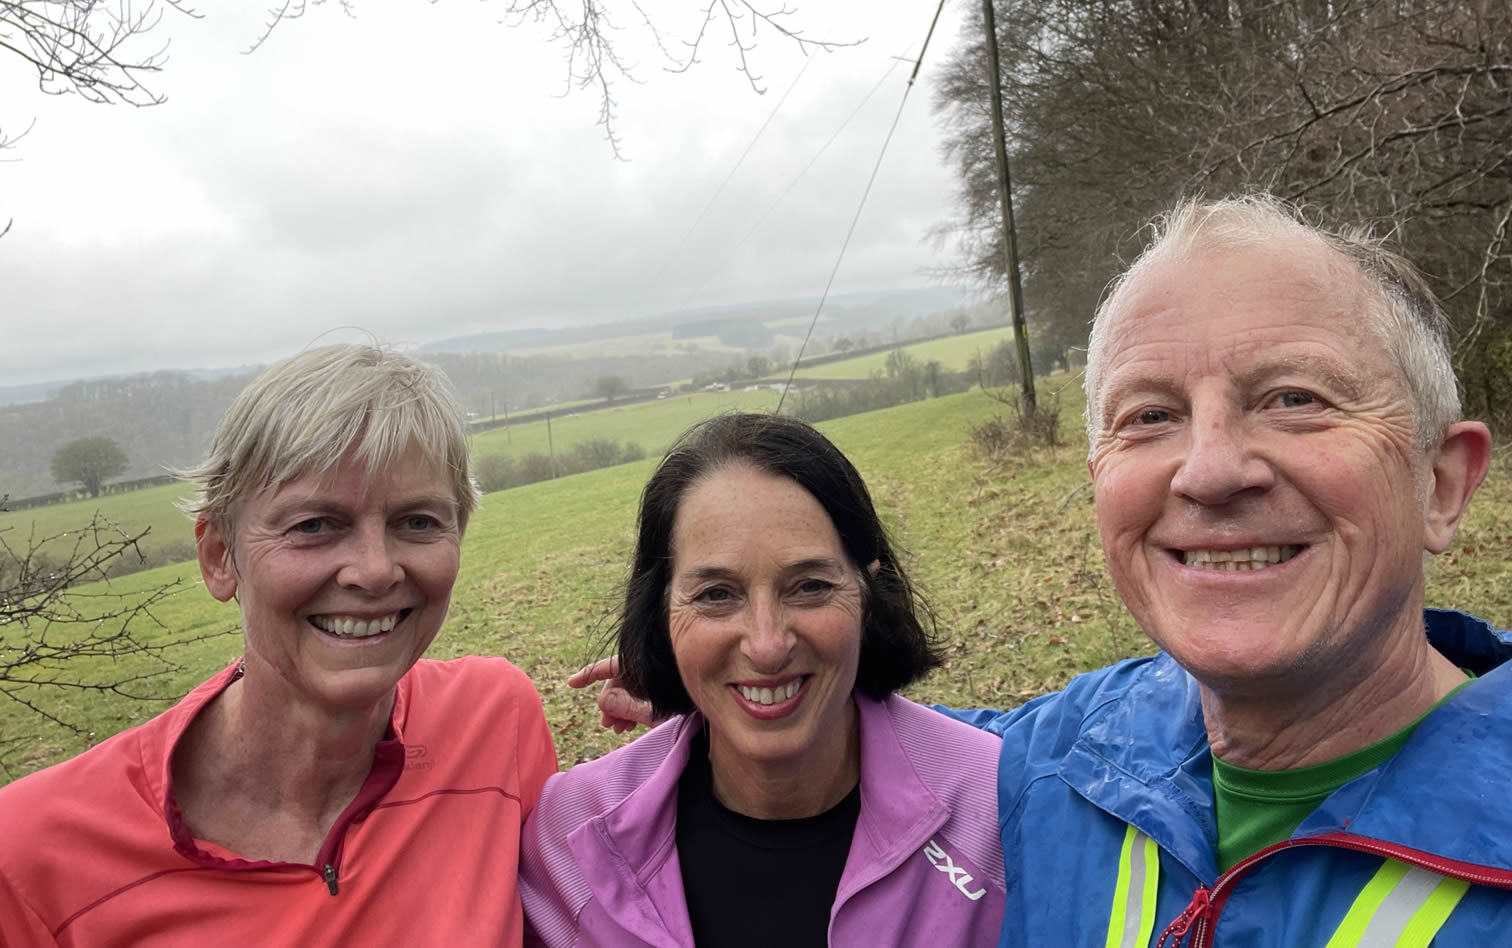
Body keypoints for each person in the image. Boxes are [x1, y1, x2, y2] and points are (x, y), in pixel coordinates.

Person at [579, 196, 1512, 945]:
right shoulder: (1062, 761)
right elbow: (904, 740)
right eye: (1150, 414)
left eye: (1296, 399)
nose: (1212, 469)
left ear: (1441, 482)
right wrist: (721, 678)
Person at [0, 344, 558, 946]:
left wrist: (674, 722)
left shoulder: (494, 718)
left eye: (418, 522)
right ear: (219, 556)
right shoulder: (32, 857)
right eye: (314, 525)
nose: (374, 571)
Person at [519, 413, 1005, 947]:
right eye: (716, 596)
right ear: (659, 614)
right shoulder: (567, 838)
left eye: (810, 587)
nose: (767, 645)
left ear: (868, 593)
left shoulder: (1000, 814)